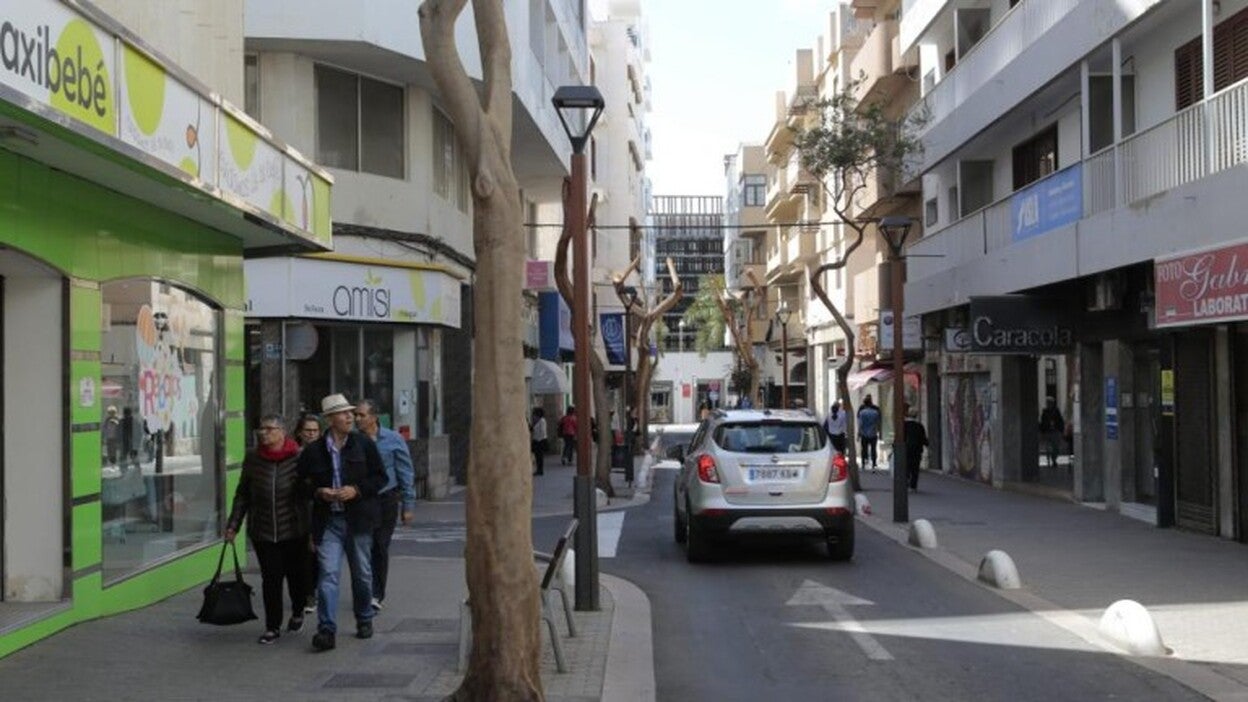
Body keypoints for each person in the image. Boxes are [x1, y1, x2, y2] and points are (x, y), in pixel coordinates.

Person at [297, 393, 387, 652]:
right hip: (329, 522)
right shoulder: (313, 451)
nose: (350, 417)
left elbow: (380, 478)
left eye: (351, 412)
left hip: (358, 520)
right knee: (328, 574)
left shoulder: (363, 444)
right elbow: (300, 485)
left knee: (362, 573)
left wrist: (356, 490)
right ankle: (326, 629)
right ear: (329, 419)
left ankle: (364, 618)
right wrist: (319, 492)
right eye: (343, 413)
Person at [224, 414, 310, 645]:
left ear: (282, 432)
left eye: (269, 429)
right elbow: (243, 494)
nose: (263, 433)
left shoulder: (298, 457)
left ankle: (298, 611)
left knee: (296, 576)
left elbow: (309, 494)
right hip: (263, 530)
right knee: (271, 579)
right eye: (261, 429)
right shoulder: (253, 458)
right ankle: (272, 626)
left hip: (293, 529)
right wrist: (233, 525)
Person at [354, 399, 415, 612]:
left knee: (380, 545)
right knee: (362, 545)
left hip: (386, 499)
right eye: (356, 415)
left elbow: (405, 471)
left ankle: (376, 593)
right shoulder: (353, 440)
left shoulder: (393, 439)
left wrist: (408, 505)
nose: (357, 419)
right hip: (361, 499)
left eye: (361, 415)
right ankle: (364, 589)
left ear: (373, 417)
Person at [293, 413, 323, 616]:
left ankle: (313, 592)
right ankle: (307, 593)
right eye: (308, 430)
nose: (311, 434)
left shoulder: (325, 453)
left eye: (315, 431)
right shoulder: (293, 454)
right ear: (299, 433)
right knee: (302, 554)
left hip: (318, 508)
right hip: (298, 508)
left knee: (316, 553)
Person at [903, 405, 929, 491]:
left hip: (906, 449)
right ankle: (913, 485)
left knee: (906, 466)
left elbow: (901, 437)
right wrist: (927, 445)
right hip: (917, 450)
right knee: (915, 468)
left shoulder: (904, 425)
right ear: (916, 415)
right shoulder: (919, 426)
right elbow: (923, 438)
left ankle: (906, 480)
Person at [1039, 396, 1066, 468]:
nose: (1049, 404)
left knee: (1056, 447)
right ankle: (1049, 458)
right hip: (1048, 431)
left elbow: (1060, 421)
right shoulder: (1045, 412)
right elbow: (1042, 422)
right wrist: (1042, 432)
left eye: (1050, 403)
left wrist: (1061, 430)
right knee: (1048, 447)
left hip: (1055, 431)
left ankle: (1054, 459)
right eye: (1048, 403)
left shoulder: (1056, 411)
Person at [857, 395, 882, 471]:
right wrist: (879, 432)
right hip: (873, 433)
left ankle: (863, 463)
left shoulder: (862, 412)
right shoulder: (875, 412)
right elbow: (878, 423)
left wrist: (858, 433)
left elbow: (860, 424)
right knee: (873, 449)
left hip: (864, 433)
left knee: (864, 449)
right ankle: (874, 463)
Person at [530, 407, 548, 476]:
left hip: (540, 441)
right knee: (537, 456)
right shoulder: (536, 421)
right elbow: (533, 429)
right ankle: (539, 470)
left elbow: (543, 431)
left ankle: (540, 470)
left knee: (540, 457)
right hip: (536, 440)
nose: (533, 415)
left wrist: (539, 440)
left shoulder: (542, 421)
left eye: (534, 414)